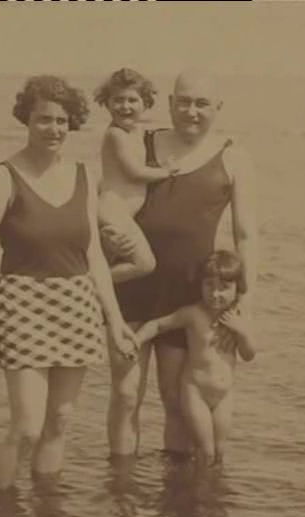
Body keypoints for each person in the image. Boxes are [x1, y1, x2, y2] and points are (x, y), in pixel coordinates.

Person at [0, 75, 136, 503]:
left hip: (76, 304)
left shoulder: (83, 176)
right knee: (26, 427)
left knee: (59, 421)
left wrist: (115, 321)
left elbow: (94, 255)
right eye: (44, 119)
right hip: (22, 304)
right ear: (27, 119)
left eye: (62, 121)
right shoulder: (3, 178)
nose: (54, 128)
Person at [107, 69, 258, 459]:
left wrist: (246, 300)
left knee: (176, 399)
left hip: (188, 296)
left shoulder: (234, 157)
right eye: (184, 102)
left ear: (218, 107)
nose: (192, 111)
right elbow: (110, 204)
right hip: (133, 289)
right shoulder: (140, 142)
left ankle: (177, 490)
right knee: (126, 395)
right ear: (171, 103)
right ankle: (120, 489)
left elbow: (245, 235)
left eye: (202, 103)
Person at [134, 250, 255, 465]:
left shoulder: (237, 319)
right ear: (200, 285)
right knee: (205, 451)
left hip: (224, 395)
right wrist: (136, 340)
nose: (215, 294)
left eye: (224, 288)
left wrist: (242, 332)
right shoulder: (193, 314)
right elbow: (159, 325)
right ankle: (195, 485)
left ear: (237, 289)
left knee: (219, 451)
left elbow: (248, 355)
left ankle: (208, 486)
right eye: (209, 286)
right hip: (196, 392)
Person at [94, 68, 179, 284]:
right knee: (145, 263)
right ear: (107, 103)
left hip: (120, 215)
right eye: (118, 100)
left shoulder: (136, 131)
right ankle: (91, 285)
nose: (125, 106)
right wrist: (166, 171)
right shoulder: (115, 135)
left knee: (102, 262)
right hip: (113, 213)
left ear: (145, 103)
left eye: (132, 100)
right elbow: (134, 172)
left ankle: (93, 286)